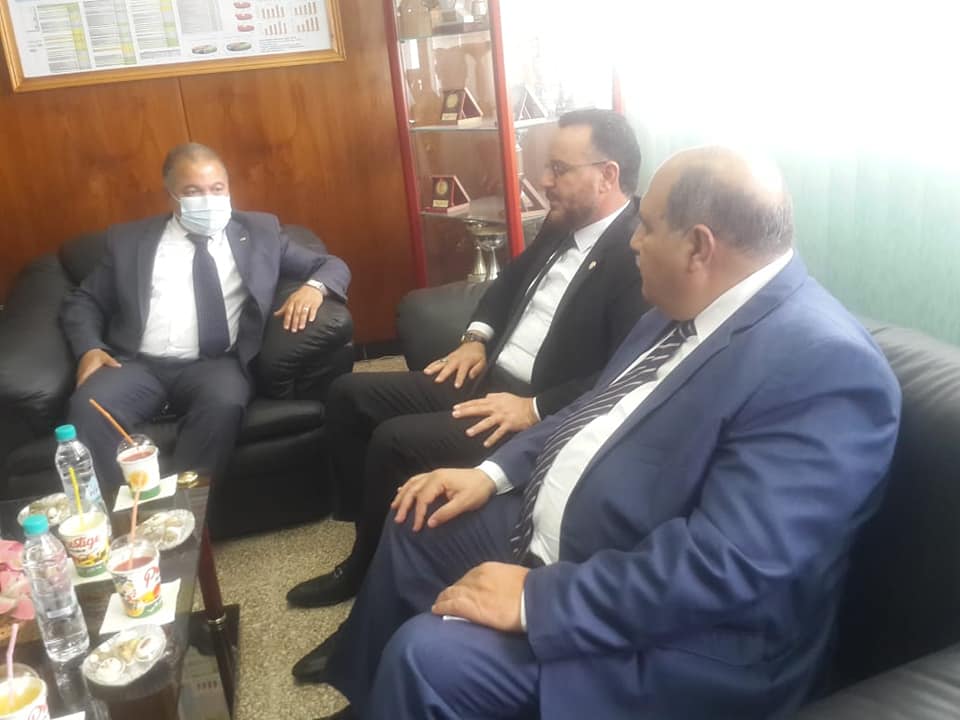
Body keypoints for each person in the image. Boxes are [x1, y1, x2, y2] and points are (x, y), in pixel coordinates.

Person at [310, 146, 902, 720]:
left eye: (646, 226)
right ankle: (375, 701)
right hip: (580, 539)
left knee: (427, 658)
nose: (633, 241)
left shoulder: (824, 367)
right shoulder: (675, 311)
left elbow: (728, 567)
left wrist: (536, 601)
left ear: (699, 247)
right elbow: (587, 413)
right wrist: (490, 474)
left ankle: (406, 691)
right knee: (420, 516)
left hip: (680, 639)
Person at [287, 109, 648, 630]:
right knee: (348, 394)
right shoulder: (561, 222)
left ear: (607, 175)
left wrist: (535, 407)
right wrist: (476, 339)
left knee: (394, 441)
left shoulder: (636, 253)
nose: (545, 181)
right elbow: (505, 286)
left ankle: (365, 576)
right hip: (488, 376)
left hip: (528, 408)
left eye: (559, 169)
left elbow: (625, 372)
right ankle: (364, 530)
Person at [60, 142, 350, 490]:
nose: (208, 200)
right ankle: (120, 514)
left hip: (215, 364)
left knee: (224, 404)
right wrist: (89, 347)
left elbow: (331, 265)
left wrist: (314, 288)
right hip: (136, 364)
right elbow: (85, 300)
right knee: (89, 408)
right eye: (193, 192)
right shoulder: (129, 241)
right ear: (171, 196)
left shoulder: (260, 233)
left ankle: (189, 511)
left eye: (217, 188)